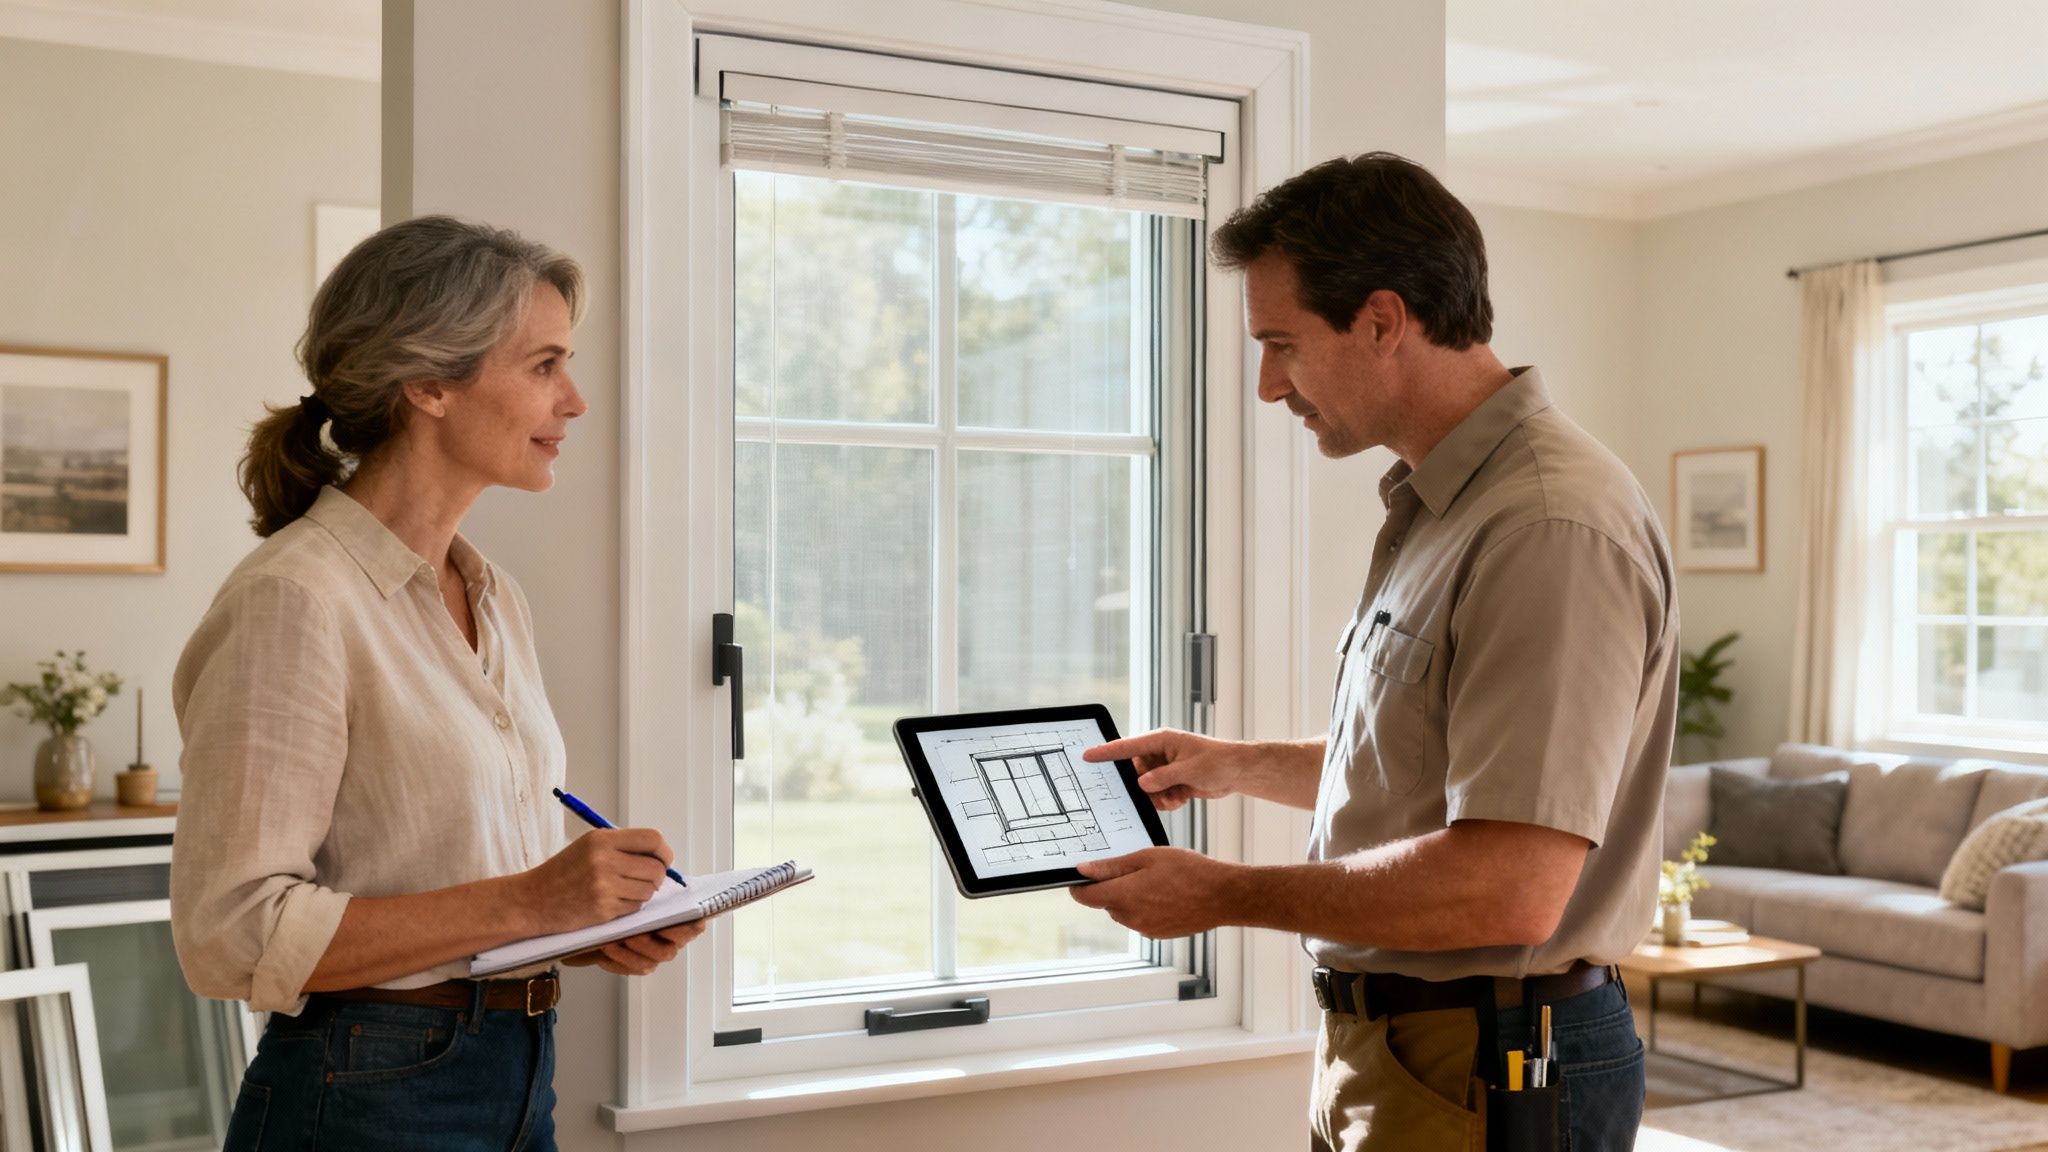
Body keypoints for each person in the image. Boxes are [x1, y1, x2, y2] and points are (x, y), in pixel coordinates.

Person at [1070, 154, 1677, 1152]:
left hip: (1487, 1056)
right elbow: (1434, 771)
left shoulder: (1543, 524)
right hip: (1408, 1049)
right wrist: (1229, 767)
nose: (1269, 386)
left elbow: (1507, 881)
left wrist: (1220, 892)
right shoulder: (1439, 505)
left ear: (1383, 321)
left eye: (1280, 344)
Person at [170, 216, 697, 1152]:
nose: (574, 401)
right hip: (368, 1090)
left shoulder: (492, 596)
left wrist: (581, 924)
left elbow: (437, 882)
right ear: (428, 383)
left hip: (516, 1065)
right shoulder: (294, 599)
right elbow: (233, 934)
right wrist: (536, 902)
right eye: (542, 366)